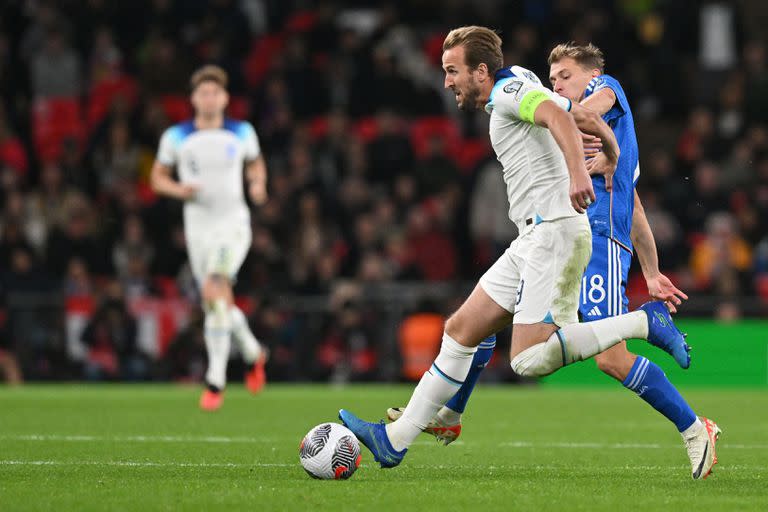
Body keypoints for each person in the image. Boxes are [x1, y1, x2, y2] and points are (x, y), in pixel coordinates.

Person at [339, 26, 691, 469]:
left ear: (480, 71)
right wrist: (614, 149)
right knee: (462, 329)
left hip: (556, 234)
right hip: (532, 237)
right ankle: (396, 439)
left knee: (527, 360)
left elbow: (560, 117)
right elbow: (575, 115)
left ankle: (643, 322)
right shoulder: (522, 77)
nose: (447, 82)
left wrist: (579, 174)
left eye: (453, 72)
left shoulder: (509, 93)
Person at [150, 65, 268, 411]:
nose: (209, 98)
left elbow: (256, 163)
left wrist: (257, 183)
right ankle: (253, 352)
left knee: (215, 288)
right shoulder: (176, 136)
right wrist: (178, 189)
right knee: (216, 303)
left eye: (215, 92)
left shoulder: (241, 132)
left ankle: (215, 381)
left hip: (232, 225)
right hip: (198, 229)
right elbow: (157, 178)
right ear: (193, 98)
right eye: (203, 92)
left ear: (225, 98)